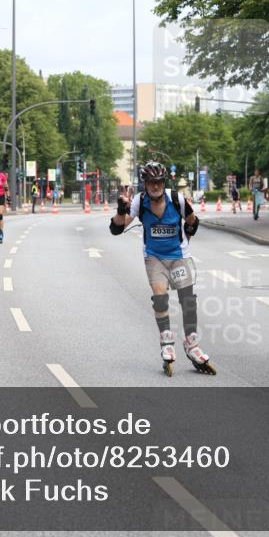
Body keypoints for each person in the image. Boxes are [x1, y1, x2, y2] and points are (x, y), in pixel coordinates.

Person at [109, 160, 216, 377]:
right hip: (154, 257)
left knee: (187, 299)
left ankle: (191, 344)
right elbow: (116, 228)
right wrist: (121, 209)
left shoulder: (177, 199)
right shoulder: (140, 201)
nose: (155, 186)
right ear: (145, 184)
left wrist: (187, 236)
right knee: (160, 297)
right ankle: (166, 340)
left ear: (163, 182)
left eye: (158, 182)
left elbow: (193, 222)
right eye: (151, 182)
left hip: (178, 255)